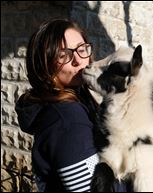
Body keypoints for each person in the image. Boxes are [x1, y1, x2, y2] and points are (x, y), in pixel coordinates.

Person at [15, 18, 128, 192]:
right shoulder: (67, 119)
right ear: (44, 66)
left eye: (82, 49)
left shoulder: (78, 98)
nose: (78, 60)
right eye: (63, 55)